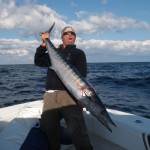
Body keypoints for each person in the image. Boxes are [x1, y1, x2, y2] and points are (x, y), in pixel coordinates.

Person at [34, 26, 93, 150]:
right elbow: (38, 61)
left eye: (73, 34)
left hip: (69, 96)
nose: (70, 35)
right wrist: (44, 43)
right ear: (62, 37)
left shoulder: (78, 53)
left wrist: (82, 93)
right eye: (67, 33)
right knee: (49, 129)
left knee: (78, 130)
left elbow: (81, 74)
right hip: (50, 96)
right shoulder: (53, 52)